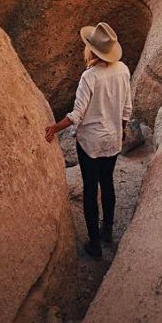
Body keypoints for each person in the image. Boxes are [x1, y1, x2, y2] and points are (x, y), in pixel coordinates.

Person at [44, 22, 133, 259]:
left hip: (90, 143)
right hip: (112, 140)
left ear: (91, 50)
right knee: (108, 184)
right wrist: (121, 130)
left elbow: (77, 114)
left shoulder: (90, 76)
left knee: (90, 190)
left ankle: (94, 245)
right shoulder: (123, 69)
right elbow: (126, 108)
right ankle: (107, 231)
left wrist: (55, 127)